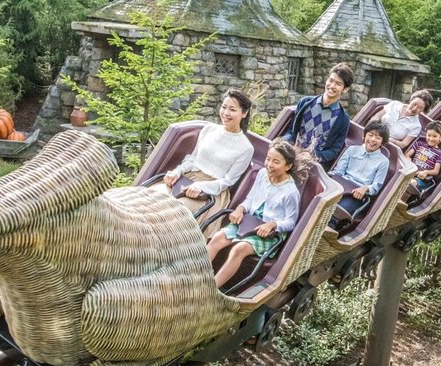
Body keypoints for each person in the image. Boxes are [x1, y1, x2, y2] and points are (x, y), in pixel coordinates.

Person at [206, 141, 306, 288]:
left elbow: (290, 222)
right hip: (248, 223)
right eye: (268, 159)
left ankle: (212, 288)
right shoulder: (262, 175)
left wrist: (273, 224)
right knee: (218, 237)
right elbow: (251, 199)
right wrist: (240, 209)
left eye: (276, 162)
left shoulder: (291, 192)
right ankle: (194, 278)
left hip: (267, 233)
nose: (269, 164)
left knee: (239, 249)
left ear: (288, 166)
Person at [155, 89, 255, 235]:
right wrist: (177, 172)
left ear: (244, 114)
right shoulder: (208, 129)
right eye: (224, 107)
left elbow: (228, 181)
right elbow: (192, 159)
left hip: (210, 192)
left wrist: (200, 186)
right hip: (187, 179)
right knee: (153, 196)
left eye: (232, 109)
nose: (226, 113)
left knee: (173, 210)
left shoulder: (246, 148)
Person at [282, 63, 354, 167]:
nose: (332, 86)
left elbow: (333, 151)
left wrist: (312, 155)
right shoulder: (305, 102)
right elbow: (291, 131)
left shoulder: (343, 119)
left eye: (338, 84)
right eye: (331, 80)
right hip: (290, 153)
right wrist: (286, 142)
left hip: (312, 163)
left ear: (345, 89)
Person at [328, 121, 391, 229]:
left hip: (357, 194)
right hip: (340, 185)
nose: (372, 140)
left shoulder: (383, 161)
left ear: (382, 142)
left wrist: (365, 189)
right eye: (370, 135)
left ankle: (325, 234)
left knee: (336, 212)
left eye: (378, 138)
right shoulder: (351, 150)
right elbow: (339, 171)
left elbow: (376, 186)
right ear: (364, 135)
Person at [370, 89, 434, 150]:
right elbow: (377, 116)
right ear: (411, 100)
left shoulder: (416, 126)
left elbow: (403, 144)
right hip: (371, 135)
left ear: (422, 111)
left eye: (420, 108)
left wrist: (390, 140)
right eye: (414, 104)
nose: (414, 108)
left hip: (386, 145)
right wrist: (370, 129)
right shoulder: (394, 104)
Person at [405, 121, 441, 194]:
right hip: (411, 172)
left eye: (434, 136)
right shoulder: (419, 144)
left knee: (411, 183)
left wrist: (426, 172)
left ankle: (400, 202)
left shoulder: (440, 154)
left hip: (422, 179)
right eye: (429, 135)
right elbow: (407, 155)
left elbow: (436, 171)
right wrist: (410, 163)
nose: (431, 139)